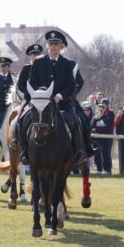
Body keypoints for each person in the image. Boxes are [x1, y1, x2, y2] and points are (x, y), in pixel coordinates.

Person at [20, 30, 86, 167]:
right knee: (22, 120)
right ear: (47, 45)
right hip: (41, 103)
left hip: (60, 102)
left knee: (76, 120)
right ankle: (24, 151)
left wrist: (59, 96)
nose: (54, 47)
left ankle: (78, 152)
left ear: (61, 46)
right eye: (51, 44)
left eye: (56, 44)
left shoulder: (68, 63)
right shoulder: (38, 62)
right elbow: (32, 82)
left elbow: (71, 85)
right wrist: (39, 95)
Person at [10, 44, 43, 151]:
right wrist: (29, 93)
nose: (36, 56)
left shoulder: (45, 67)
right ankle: (17, 141)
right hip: (29, 99)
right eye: (34, 54)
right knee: (19, 118)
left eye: (38, 54)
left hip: (44, 100)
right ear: (30, 56)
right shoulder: (26, 68)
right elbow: (20, 85)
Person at [92, 99, 115, 174]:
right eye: (99, 109)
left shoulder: (107, 116)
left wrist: (97, 130)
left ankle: (107, 170)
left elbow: (106, 127)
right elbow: (92, 127)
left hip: (106, 137)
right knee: (97, 153)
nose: (100, 111)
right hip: (97, 138)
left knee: (106, 154)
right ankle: (99, 169)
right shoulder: (95, 118)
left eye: (102, 110)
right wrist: (96, 120)